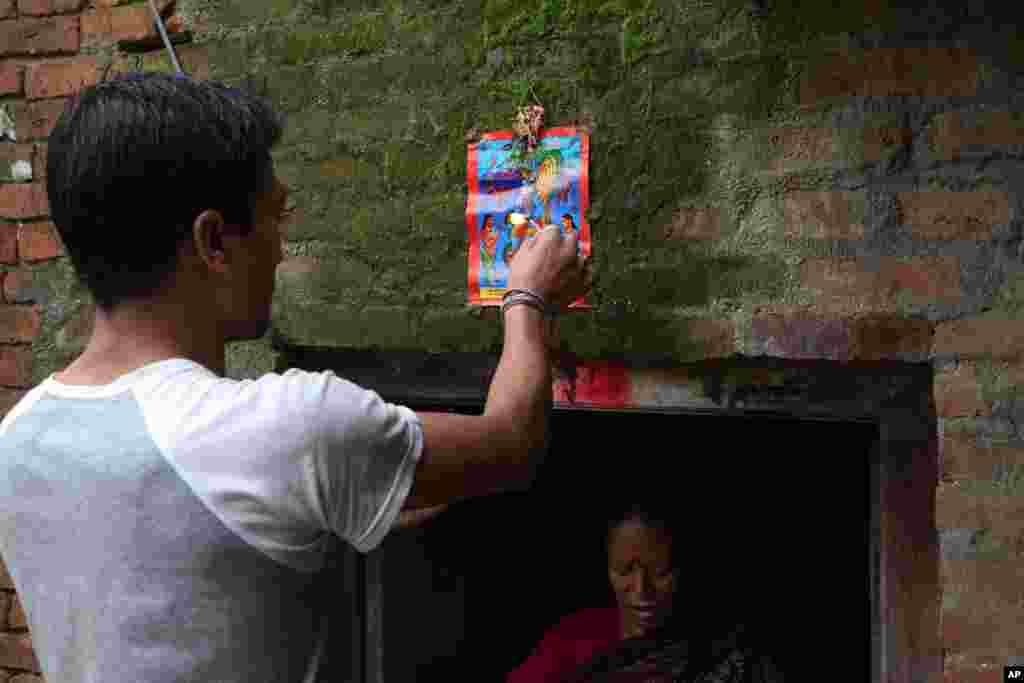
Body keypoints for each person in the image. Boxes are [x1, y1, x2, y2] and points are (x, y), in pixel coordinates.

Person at [0, 72, 590, 683]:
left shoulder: (18, 441)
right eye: (275, 217)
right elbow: (513, 441)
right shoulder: (285, 428)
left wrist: (370, 479)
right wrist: (527, 300)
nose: (281, 249)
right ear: (213, 241)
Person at [507, 499, 782, 683]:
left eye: (660, 571)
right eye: (625, 571)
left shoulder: (722, 649)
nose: (641, 591)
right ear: (605, 568)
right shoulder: (570, 640)